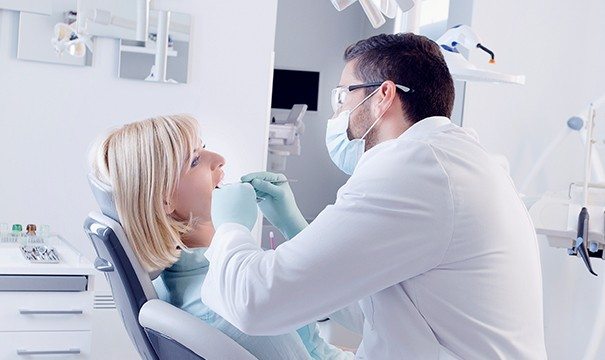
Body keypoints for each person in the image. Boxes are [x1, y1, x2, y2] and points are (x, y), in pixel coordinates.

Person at [203, 33, 548, 359]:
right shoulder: (454, 159)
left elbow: (256, 303)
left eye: (343, 96)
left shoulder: (413, 169)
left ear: (383, 95)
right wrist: (296, 228)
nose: (338, 115)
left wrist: (231, 227)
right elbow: (370, 304)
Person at [90, 114, 353, 360]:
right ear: (164, 199)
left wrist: (292, 226)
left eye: (204, 147)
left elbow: (315, 348)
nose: (219, 158)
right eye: (194, 160)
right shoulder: (229, 304)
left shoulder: (186, 280)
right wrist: (235, 229)